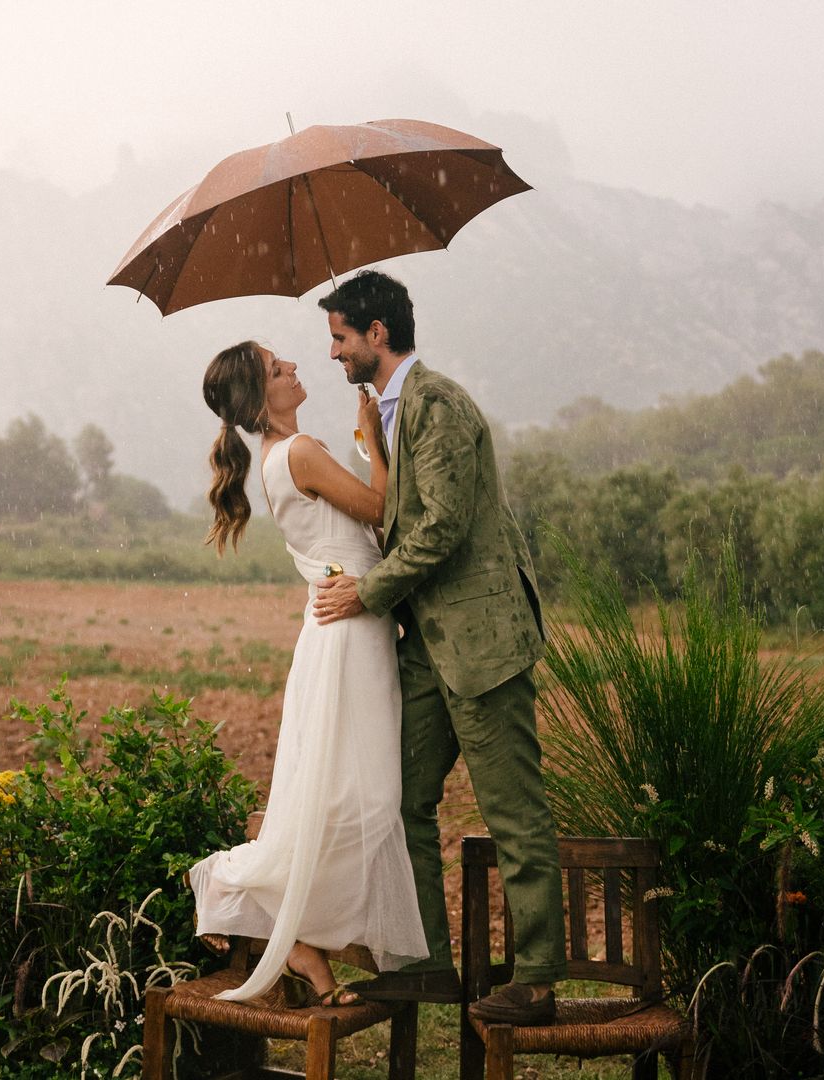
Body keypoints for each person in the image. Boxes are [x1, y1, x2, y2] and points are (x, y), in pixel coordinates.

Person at [312, 270, 567, 1026]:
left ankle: (540, 980)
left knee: (513, 812)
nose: (332, 353)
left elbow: (443, 527)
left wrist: (367, 591)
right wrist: (371, 441)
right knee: (400, 803)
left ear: (376, 334)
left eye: (339, 338)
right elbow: (400, 512)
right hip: (427, 646)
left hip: (483, 645)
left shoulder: (440, 403)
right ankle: (426, 964)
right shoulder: (390, 413)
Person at [187, 340, 428, 1006]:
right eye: (277, 368)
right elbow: (382, 509)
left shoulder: (284, 454)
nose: (293, 366)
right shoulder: (296, 453)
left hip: (352, 628)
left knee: (351, 793)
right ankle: (252, 893)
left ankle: (299, 936)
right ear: (261, 396)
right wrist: (375, 437)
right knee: (364, 796)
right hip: (347, 633)